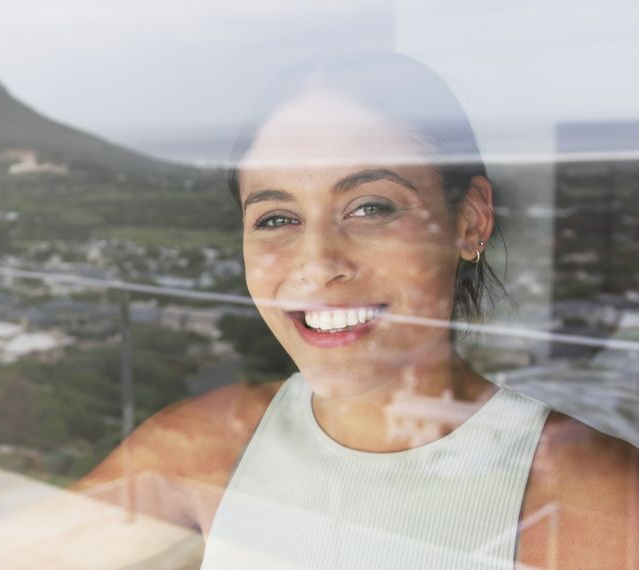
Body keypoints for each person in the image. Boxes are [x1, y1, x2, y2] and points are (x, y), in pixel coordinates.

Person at [73, 54, 639, 569]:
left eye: (370, 207)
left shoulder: (602, 500)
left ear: (470, 221)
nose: (317, 265)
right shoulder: (199, 445)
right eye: (276, 218)